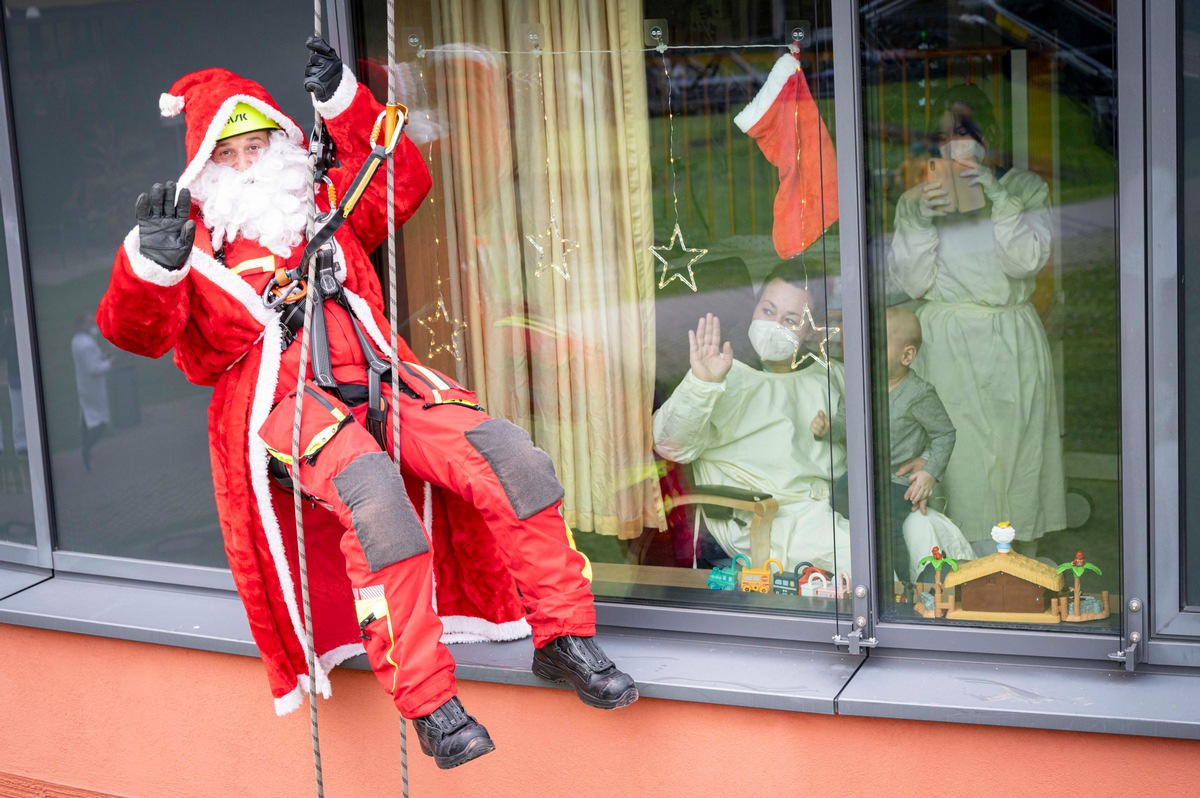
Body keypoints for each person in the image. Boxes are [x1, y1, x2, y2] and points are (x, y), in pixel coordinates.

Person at [97, 38, 635, 771]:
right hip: (283, 402)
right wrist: (150, 265)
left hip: (384, 377)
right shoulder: (198, 249)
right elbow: (138, 334)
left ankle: (564, 637)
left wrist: (343, 101)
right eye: (233, 153)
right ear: (206, 168)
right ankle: (429, 703)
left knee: (511, 456)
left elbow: (400, 181)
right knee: (376, 497)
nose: (252, 163)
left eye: (261, 144)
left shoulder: (328, 209)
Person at [888, 83, 1066, 557]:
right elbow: (912, 280)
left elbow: (1026, 260)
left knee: (1015, 447)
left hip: (1009, 334)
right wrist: (922, 219)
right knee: (959, 451)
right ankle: (960, 556)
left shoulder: (1025, 189)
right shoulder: (914, 200)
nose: (955, 145)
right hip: (945, 338)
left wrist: (997, 197)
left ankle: (1015, 558)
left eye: (964, 132)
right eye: (945, 137)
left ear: (989, 135)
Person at [652, 261, 852, 575]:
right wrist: (701, 384)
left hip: (835, 507)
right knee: (862, 561)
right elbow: (671, 445)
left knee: (926, 533)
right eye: (768, 311)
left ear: (811, 329)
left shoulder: (830, 376)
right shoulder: (724, 376)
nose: (774, 325)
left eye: (790, 319)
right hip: (763, 519)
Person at [811, 306, 973, 580]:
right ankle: (847, 577)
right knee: (838, 506)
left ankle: (898, 587)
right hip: (858, 476)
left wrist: (929, 472)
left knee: (886, 527)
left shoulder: (918, 394)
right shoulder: (857, 385)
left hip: (895, 481)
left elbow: (945, 434)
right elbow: (844, 426)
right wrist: (827, 429)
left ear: (906, 355)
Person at [71, 310, 113, 470]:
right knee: (100, 420)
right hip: (92, 388)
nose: (92, 324)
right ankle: (87, 448)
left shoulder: (78, 340)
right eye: (88, 322)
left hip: (83, 385)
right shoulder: (85, 345)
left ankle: (85, 446)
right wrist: (109, 362)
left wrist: (102, 356)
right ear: (81, 325)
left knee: (86, 415)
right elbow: (94, 369)